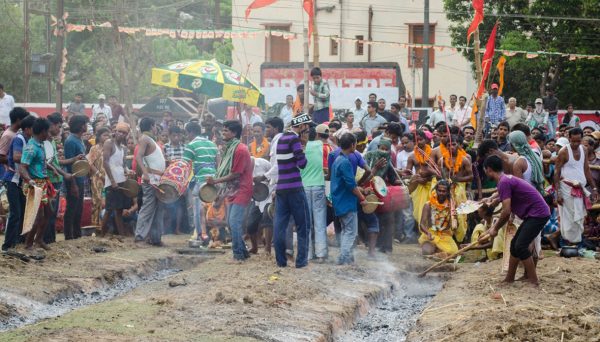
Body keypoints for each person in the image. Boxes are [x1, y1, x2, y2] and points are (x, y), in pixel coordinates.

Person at [482, 155, 550, 287]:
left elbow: (506, 211)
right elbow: (505, 199)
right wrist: (494, 200)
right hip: (533, 214)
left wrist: (494, 228)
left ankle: (534, 281)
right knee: (514, 245)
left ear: (489, 169)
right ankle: (509, 278)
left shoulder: (503, 182)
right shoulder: (505, 180)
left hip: (538, 214)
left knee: (520, 246)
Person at [206, 120, 253, 261]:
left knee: (234, 222)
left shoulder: (240, 150)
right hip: (233, 190)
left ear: (234, 133)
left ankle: (238, 255)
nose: (223, 133)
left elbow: (235, 174)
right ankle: (243, 252)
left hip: (242, 189)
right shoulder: (229, 148)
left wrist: (215, 181)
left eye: (226, 130)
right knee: (231, 222)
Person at [273, 113, 311, 268]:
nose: (308, 131)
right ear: (301, 126)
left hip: (281, 187)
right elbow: (302, 164)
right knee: (303, 225)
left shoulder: (281, 138)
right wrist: (304, 145)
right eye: (307, 127)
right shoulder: (294, 139)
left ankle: (280, 261)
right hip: (295, 187)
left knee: (280, 226)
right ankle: (301, 261)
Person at [554, 128, 598, 245]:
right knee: (569, 219)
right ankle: (568, 244)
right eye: (573, 141)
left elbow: (586, 170)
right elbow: (556, 173)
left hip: (580, 190)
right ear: (569, 139)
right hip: (566, 189)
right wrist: (558, 193)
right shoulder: (563, 151)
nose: (576, 144)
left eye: (578, 141)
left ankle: (575, 244)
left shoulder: (584, 149)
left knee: (579, 218)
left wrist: (594, 188)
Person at [331, 133, 368, 264]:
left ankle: (345, 257)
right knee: (351, 232)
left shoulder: (338, 159)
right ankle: (343, 258)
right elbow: (351, 185)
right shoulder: (345, 162)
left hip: (339, 200)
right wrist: (362, 198)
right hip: (346, 201)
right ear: (352, 145)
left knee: (346, 230)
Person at [19, 118, 54, 250]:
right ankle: (28, 244)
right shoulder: (31, 148)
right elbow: (22, 167)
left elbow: (41, 163)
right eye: (48, 132)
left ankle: (39, 239)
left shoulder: (40, 145)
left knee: (49, 212)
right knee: (37, 217)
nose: (49, 135)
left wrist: (54, 170)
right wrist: (30, 181)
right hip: (35, 184)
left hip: (43, 182)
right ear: (43, 131)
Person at [1, 115, 35, 251]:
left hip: (21, 181)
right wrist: (32, 157)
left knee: (22, 212)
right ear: (27, 129)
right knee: (15, 213)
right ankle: (7, 245)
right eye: (34, 128)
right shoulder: (18, 139)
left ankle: (18, 242)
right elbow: (16, 157)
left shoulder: (29, 139)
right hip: (13, 180)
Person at [183, 122, 219, 242]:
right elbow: (218, 163)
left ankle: (200, 236)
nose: (187, 136)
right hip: (214, 181)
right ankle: (215, 236)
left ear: (191, 132)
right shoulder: (213, 145)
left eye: (187, 133)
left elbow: (184, 165)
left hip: (200, 181)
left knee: (199, 211)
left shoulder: (191, 145)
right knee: (213, 209)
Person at [134, 117, 167, 246]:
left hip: (157, 179)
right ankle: (139, 237)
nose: (156, 129)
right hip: (151, 179)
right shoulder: (145, 139)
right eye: (155, 126)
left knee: (159, 209)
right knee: (148, 208)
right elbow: (138, 157)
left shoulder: (149, 139)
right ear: (152, 126)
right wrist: (145, 173)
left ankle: (155, 238)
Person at [43, 112, 72, 244]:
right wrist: (63, 173)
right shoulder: (44, 142)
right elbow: (49, 164)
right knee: (49, 213)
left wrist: (72, 160)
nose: (59, 130)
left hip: (56, 181)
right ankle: (47, 240)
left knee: (53, 214)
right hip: (49, 181)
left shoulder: (52, 141)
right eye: (59, 127)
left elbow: (55, 162)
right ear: (52, 125)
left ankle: (50, 239)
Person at [300, 127, 327, 262]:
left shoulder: (299, 148)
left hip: (304, 187)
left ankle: (308, 254)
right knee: (320, 221)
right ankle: (321, 254)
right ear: (316, 135)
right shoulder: (321, 145)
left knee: (306, 222)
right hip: (318, 185)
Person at [101, 122, 132, 236]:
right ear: (115, 131)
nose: (121, 134)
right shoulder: (109, 143)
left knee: (119, 209)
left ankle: (121, 235)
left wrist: (128, 171)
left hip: (121, 181)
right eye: (119, 131)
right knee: (109, 210)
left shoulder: (123, 148)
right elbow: (105, 162)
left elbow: (123, 165)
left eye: (124, 133)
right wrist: (112, 181)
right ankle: (101, 234)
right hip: (112, 182)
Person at [63, 115, 88, 240]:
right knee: (72, 208)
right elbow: (69, 166)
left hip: (81, 179)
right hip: (73, 180)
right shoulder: (70, 141)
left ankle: (77, 234)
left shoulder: (79, 139)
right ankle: (69, 235)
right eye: (85, 124)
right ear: (80, 125)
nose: (86, 126)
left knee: (79, 208)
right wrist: (73, 185)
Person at [418, 180, 457, 256]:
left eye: (444, 191)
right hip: (431, 235)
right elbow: (422, 224)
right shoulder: (428, 205)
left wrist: (455, 217)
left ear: (448, 192)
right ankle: (436, 251)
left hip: (445, 236)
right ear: (436, 190)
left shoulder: (451, 206)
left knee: (453, 253)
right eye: (439, 191)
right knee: (427, 252)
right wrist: (427, 233)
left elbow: (454, 227)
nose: (441, 193)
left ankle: (438, 252)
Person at [407, 130, 435, 225]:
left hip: (432, 186)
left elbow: (438, 171)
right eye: (416, 140)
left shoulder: (433, 153)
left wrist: (427, 179)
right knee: (420, 212)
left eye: (420, 139)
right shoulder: (411, 156)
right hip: (418, 187)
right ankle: (423, 235)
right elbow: (408, 173)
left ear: (426, 140)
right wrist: (416, 178)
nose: (418, 142)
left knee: (433, 212)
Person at [87, 127, 111, 226]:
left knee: (107, 202)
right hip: (97, 178)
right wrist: (99, 174)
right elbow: (90, 163)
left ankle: (104, 225)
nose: (107, 137)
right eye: (105, 135)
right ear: (99, 137)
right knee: (97, 200)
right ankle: (95, 224)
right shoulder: (94, 148)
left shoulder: (110, 148)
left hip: (109, 179)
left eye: (108, 135)